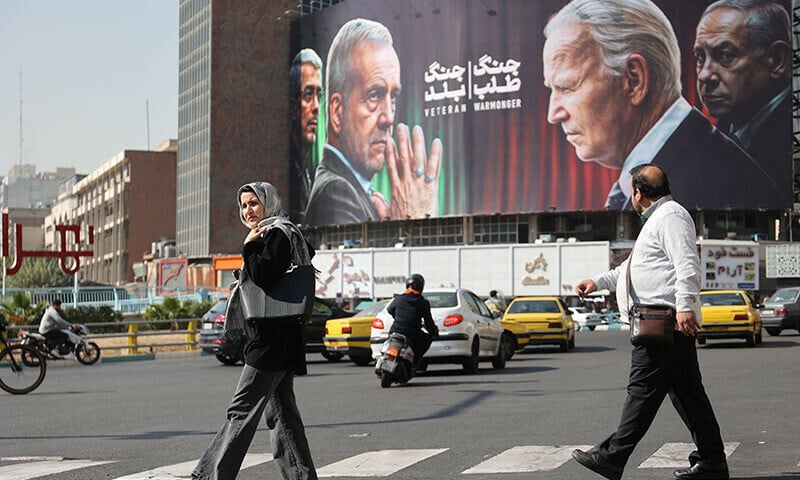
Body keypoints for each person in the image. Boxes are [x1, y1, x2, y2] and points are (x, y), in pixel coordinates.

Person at [542, 0, 788, 211]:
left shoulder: (714, 183)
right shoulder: (679, 165)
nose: (553, 114)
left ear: (634, 80)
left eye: (567, 87)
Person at [572, 165, 728, 480]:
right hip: (666, 323)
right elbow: (630, 269)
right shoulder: (658, 219)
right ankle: (711, 461)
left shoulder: (670, 216)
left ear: (638, 193)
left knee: (642, 390)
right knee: (689, 395)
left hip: (662, 323)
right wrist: (598, 282)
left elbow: (687, 262)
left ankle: (612, 457)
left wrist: (685, 305)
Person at [193, 182, 318, 480]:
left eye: (254, 203)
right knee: (283, 416)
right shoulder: (278, 231)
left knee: (241, 411)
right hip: (278, 339)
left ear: (268, 202)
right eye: (244, 205)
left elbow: (263, 274)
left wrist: (249, 246)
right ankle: (301, 476)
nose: (248, 210)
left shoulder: (277, 233)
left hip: (270, 342)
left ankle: (211, 475)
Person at [304, 18, 443, 226]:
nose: (388, 118)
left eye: (393, 96)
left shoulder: (353, 189)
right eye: (374, 96)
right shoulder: (336, 193)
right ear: (336, 112)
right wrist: (413, 220)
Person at [694, 0, 792, 201]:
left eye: (726, 56)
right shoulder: (713, 137)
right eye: (700, 57)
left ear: (776, 60)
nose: (704, 75)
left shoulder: (789, 143)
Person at [289, 48, 324, 223]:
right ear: (294, 107)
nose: (316, 107)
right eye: (309, 95)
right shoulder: (285, 171)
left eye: (319, 95)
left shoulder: (306, 175)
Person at [386, 273, 438, 369]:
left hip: (395, 331)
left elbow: (389, 310)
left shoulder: (398, 299)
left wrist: (398, 318)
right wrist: (433, 331)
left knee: (388, 341)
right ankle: (415, 364)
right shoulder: (423, 303)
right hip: (412, 334)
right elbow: (428, 321)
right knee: (426, 340)